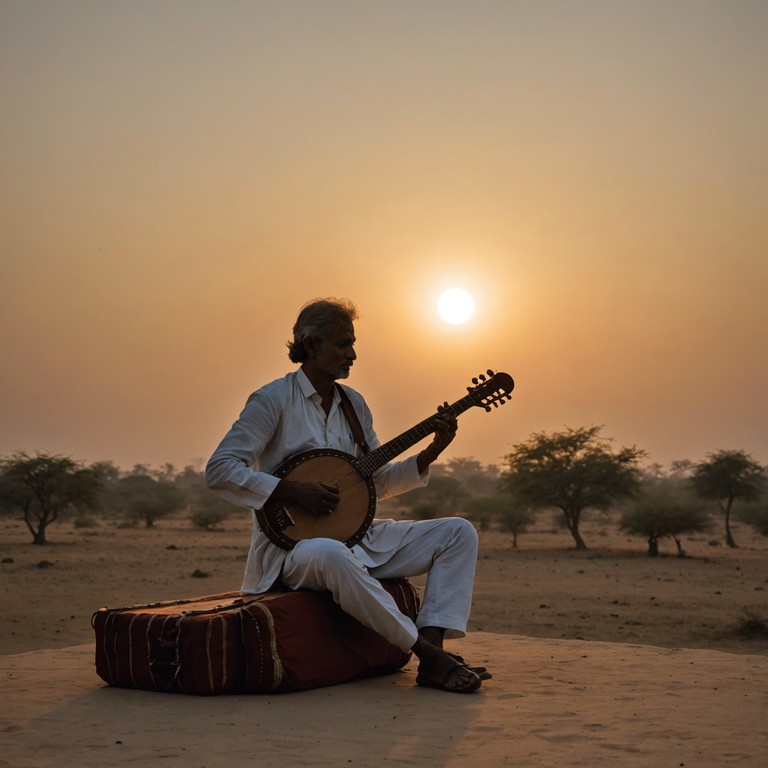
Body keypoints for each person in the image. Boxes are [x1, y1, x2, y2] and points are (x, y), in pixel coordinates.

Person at [205, 297, 488, 693]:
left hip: (354, 536)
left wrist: (431, 451)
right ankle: (429, 655)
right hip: (292, 550)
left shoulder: (354, 405)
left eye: (353, 343)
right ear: (311, 343)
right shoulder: (272, 400)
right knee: (330, 553)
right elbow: (219, 470)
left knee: (458, 532)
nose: (352, 354)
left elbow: (377, 483)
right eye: (343, 344)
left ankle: (434, 652)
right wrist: (291, 490)